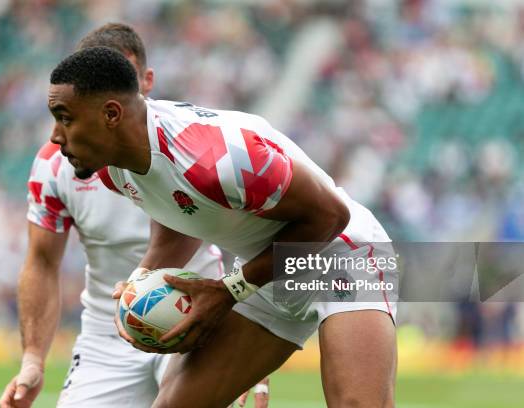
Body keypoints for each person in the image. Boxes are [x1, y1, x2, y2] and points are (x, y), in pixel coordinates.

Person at [47, 46, 398, 407]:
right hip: (266, 268)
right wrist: (142, 280)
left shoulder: (216, 158)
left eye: (65, 117)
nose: (56, 135)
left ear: (110, 114)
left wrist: (231, 290)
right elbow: (178, 214)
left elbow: (330, 216)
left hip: (339, 254)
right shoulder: (113, 170)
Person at [0, 24, 240, 408]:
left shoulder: (187, 145)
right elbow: (42, 262)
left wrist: (249, 350)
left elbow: (276, 228)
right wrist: (33, 360)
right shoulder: (53, 164)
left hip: (192, 316)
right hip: (105, 334)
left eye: (125, 79)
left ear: (146, 80)